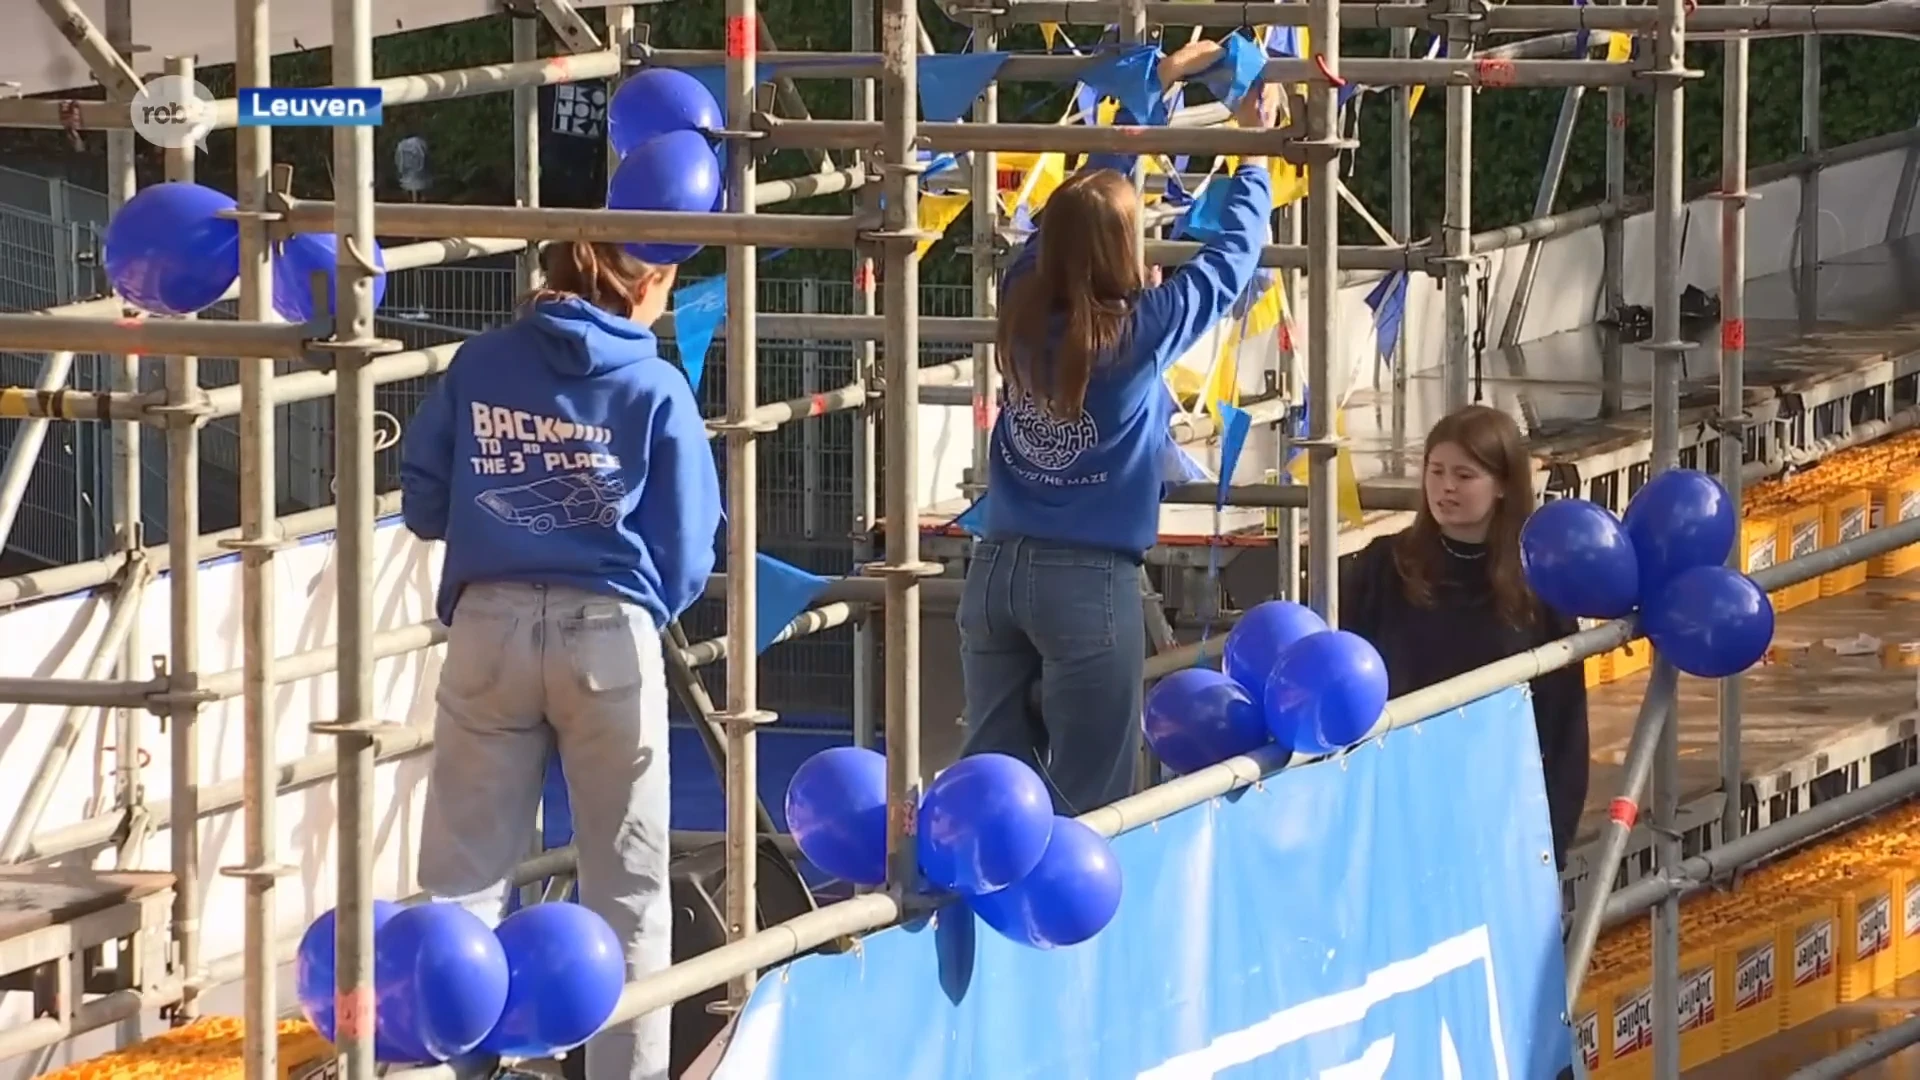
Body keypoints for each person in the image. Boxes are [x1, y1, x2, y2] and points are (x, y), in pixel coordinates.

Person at [399, 240, 721, 1080]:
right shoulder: (655, 385)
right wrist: (639, 600)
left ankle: (444, 1063)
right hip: (608, 631)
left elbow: (423, 498)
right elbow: (689, 547)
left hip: (487, 623)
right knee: (628, 892)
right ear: (647, 284)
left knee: (461, 883)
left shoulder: (481, 361)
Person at [956, 44, 1279, 816]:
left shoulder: (1019, 297)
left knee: (993, 793)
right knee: (1093, 801)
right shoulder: (1141, 331)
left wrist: (1146, 103)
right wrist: (1255, 150)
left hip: (995, 567)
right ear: (1125, 253)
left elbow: (1074, 217)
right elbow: (1232, 259)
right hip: (1087, 581)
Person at [1341, 404, 1591, 870]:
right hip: (1401, 811)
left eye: (1464, 475)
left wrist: (1551, 843)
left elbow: (1565, 728)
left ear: (1502, 486)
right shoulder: (1382, 567)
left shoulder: (1539, 583)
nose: (1445, 488)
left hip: (1499, 818)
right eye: (1435, 472)